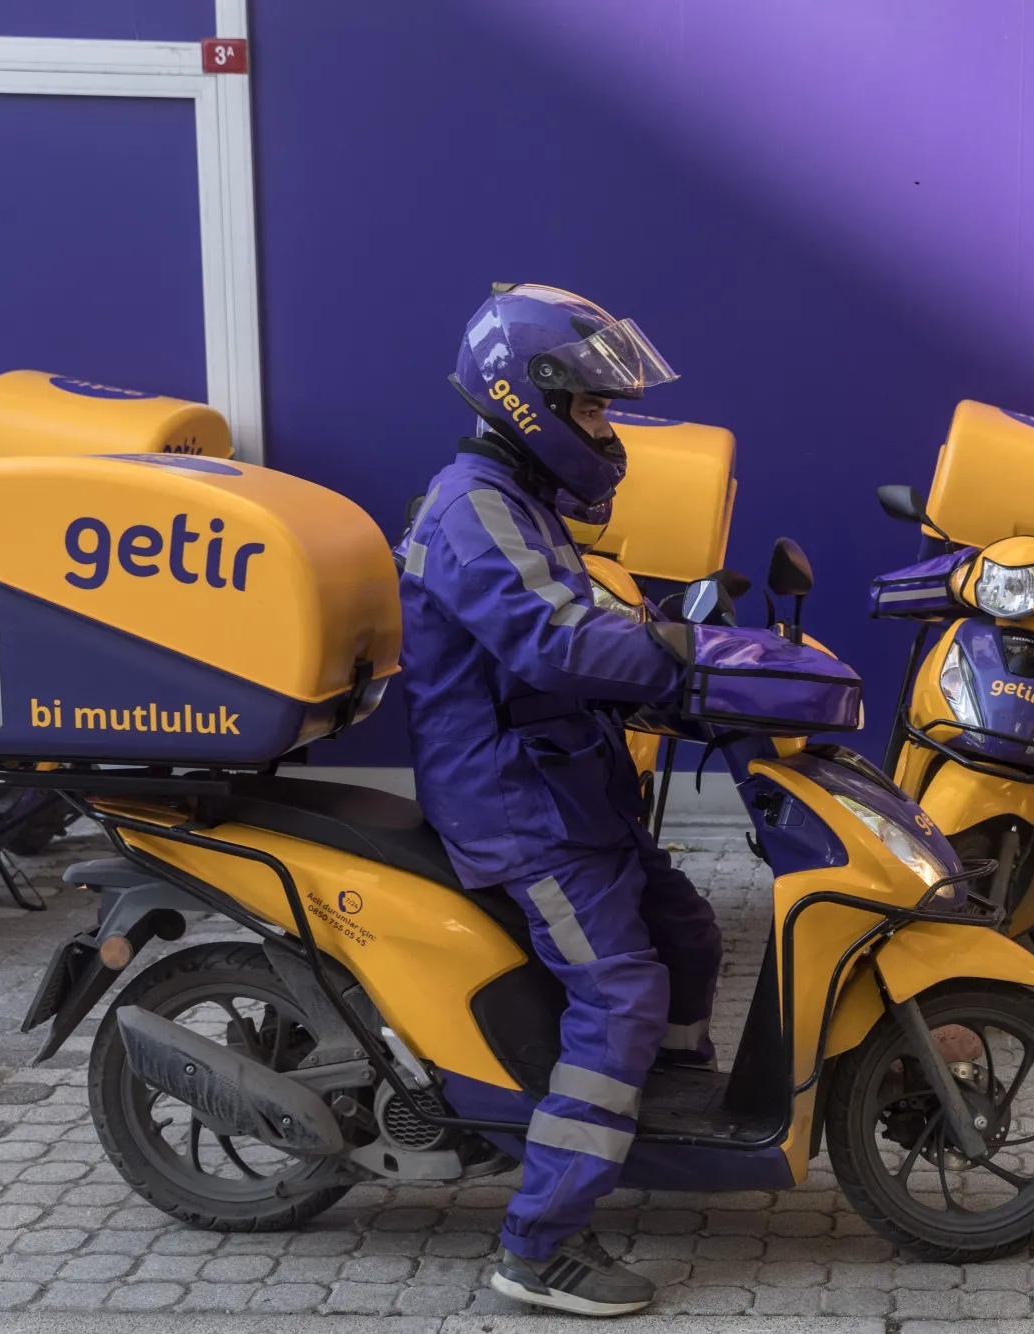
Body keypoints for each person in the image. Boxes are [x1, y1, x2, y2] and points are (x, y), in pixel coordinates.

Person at [396, 283, 723, 1317]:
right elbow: (554, 637)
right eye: (592, 407)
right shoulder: (471, 506)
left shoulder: (517, 498)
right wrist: (680, 653)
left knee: (688, 929)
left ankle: (653, 1110)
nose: (606, 428)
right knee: (622, 987)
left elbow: (580, 624)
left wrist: (684, 655)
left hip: (565, 779)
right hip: (511, 802)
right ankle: (539, 1241)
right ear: (528, 400)